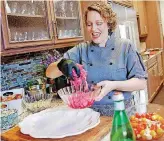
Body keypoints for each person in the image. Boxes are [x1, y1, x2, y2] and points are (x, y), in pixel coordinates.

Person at [46, 2, 147, 115]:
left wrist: (113, 85)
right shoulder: (81, 49)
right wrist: (62, 64)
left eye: (99, 23)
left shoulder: (126, 47)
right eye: (89, 24)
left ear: (109, 24)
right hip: (91, 114)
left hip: (122, 111)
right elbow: (49, 73)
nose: (93, 29)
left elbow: (141, 83)